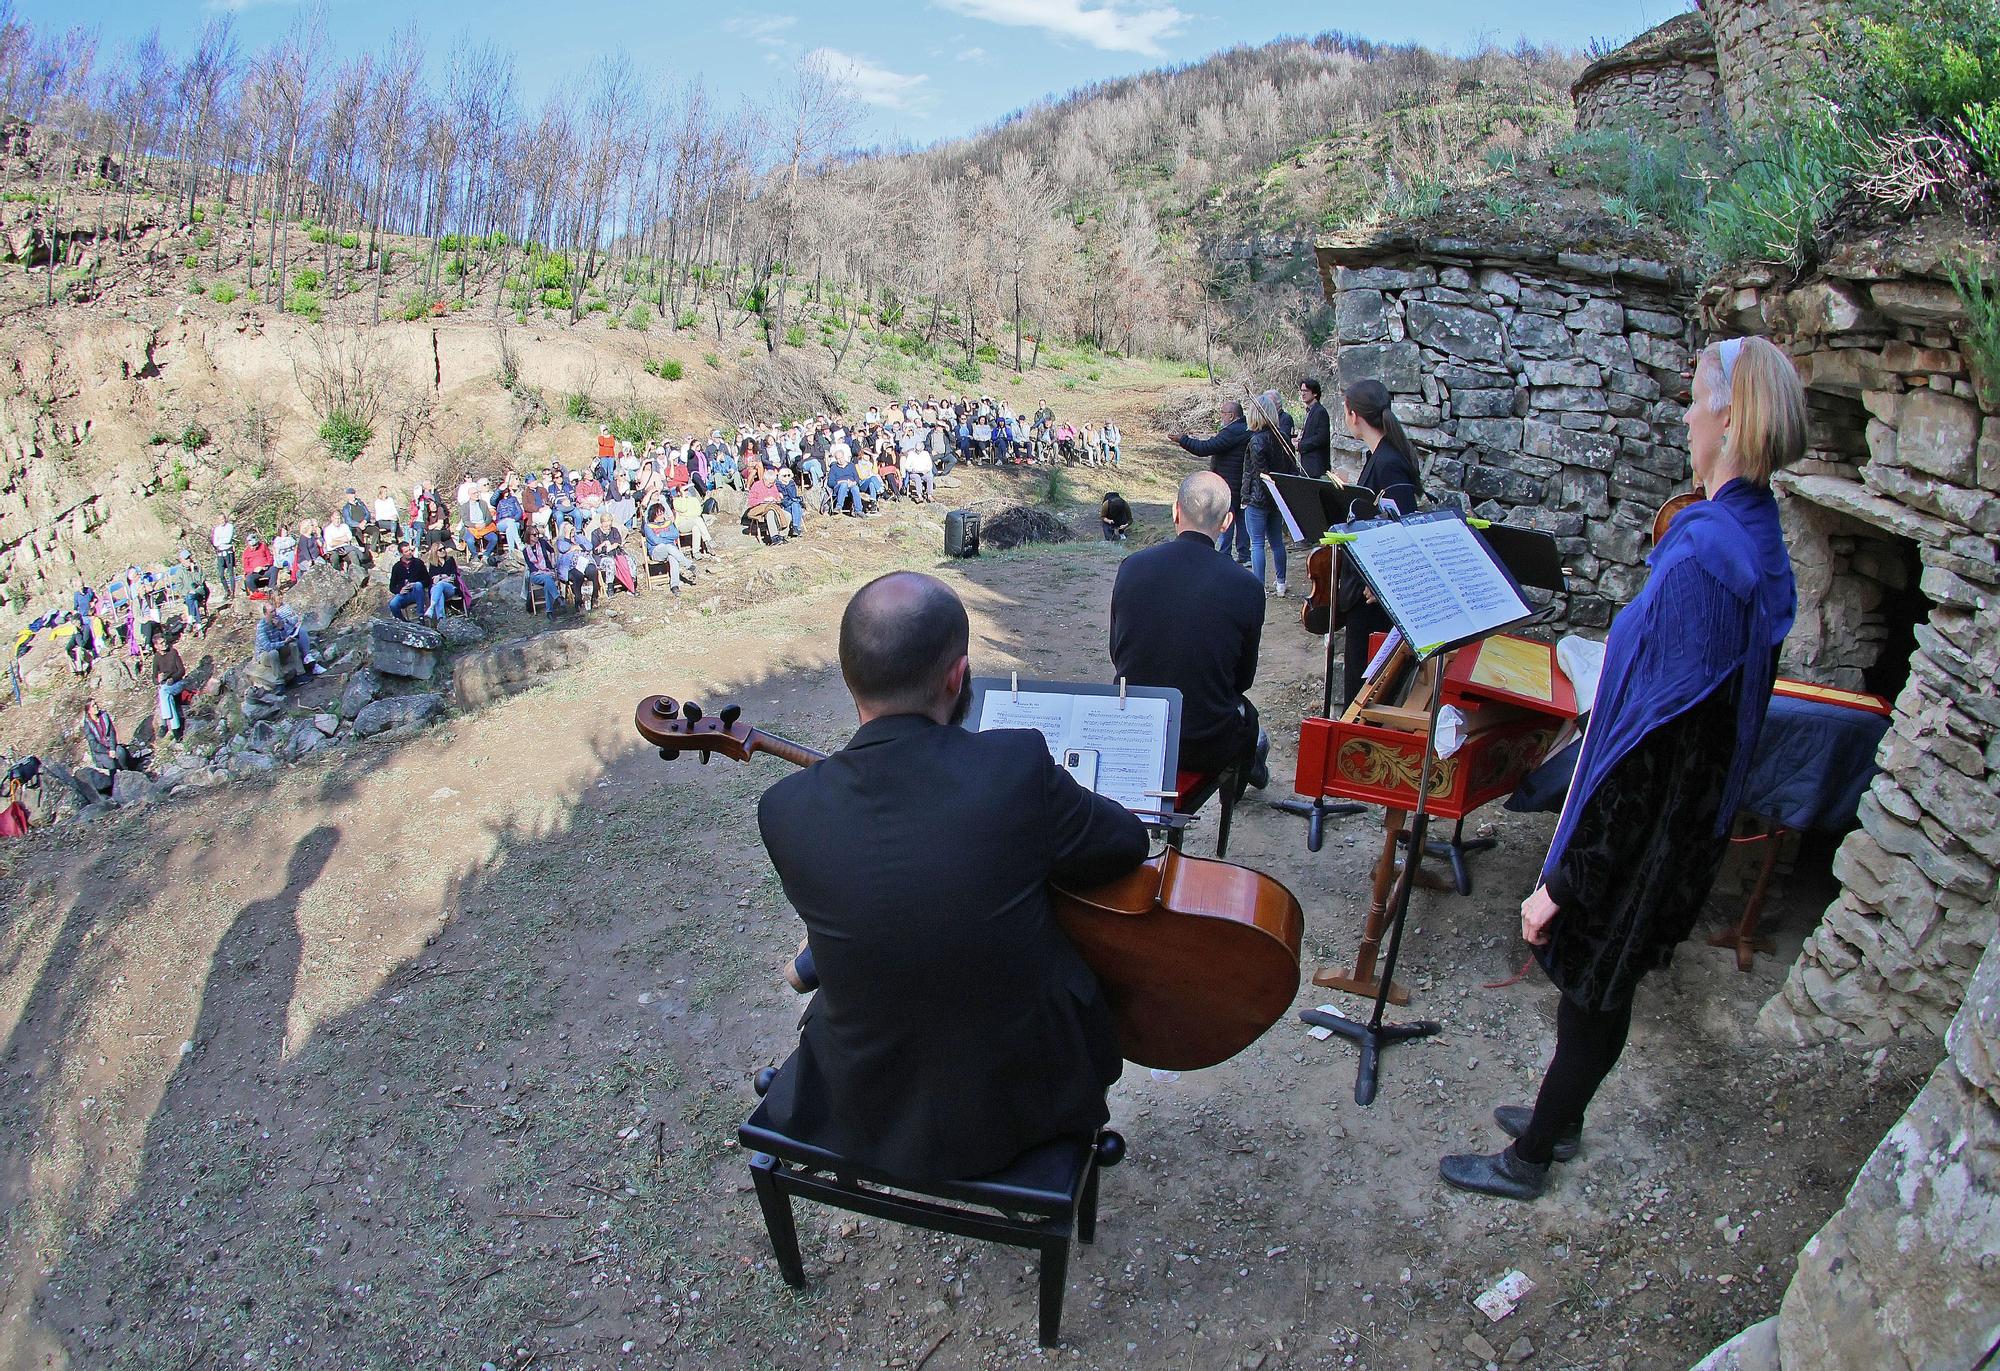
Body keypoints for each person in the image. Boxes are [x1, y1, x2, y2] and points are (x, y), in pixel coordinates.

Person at [1440, 337, 1804, 1201]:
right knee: (1603, 985)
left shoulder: (1711, 561)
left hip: (1649, 830)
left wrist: (1563, 879)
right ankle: (1554, 1124)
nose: (1683, 414)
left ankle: (1530, 1156)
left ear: (1727, 414)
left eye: (1694, 399)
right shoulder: (1753, 535)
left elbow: (1652, 749)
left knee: (1595, 989)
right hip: (1682, 819)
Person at [756, 572, 1148, 1182]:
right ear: (957, 675)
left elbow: (889, 904)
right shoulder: (1015, 765)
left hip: (865, 1102)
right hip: (1026, 1104)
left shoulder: (783, 811)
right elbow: (1126, 843)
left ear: (848, 677)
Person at [1110, 471, 1268, 788]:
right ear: (1227, 523)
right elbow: (1242, 680)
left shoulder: (1132, 567)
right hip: (1205, 743)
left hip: (1132, 730)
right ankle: (1251, 764)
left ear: (1175, 511)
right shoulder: (1247, 586)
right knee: (1248, 723)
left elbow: (1119, 653)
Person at [1337, 378, 1425, 704]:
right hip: (1366, 589)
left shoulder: (1390, 462)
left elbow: (1403, 526)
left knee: (1365, 690)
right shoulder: (1381, 455)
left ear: (1354, 414)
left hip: (1375, 596)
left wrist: (1383, 580)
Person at [1168, 401, 1252, 566]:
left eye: (1222, 412)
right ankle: (1244, 555)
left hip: (1229, 484)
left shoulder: (1232, 432)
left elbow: (1205, 448)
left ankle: (1225, 555)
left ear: (1231, 415)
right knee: (1242, 521)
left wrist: (1183, 440)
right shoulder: (1244, 430)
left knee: (1225, 518)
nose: (1221, 416)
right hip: (1240, 482)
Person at [1239, 392, 1298, 597]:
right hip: (1276, 496)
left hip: (1259, 498)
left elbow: (1260, 473)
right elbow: (1291, 469)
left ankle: (1259, 587)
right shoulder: (1282, 437)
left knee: (1257, 543)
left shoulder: (1257, 441)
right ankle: (1280, 583)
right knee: (1276, 542)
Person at [255, 598, 320, 684]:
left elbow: (284, 637)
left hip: (279, 649)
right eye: (272, 612)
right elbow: (267, 647)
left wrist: (281, 628)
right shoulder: (261, 627)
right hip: (265, 655)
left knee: (293, 644)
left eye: (275, 611)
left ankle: (301, 674)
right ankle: (279, 681)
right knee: (273, 653)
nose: (275, 614)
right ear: (265, 614)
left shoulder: (278, 619)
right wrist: (284, 642)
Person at [152, 635, 189, 739]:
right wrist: (158, 679)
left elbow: (182, 671)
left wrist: (173, 678)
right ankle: (176, 730)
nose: (164, 644)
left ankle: (164, 724)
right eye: (161, 643)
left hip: (177, 682)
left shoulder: (173, 652)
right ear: (156, 646)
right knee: (167, 696)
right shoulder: (156, 658)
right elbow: (154, 679)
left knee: (163, 692)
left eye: (164, 642)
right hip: (166, 686)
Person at [386, 543, 431, 621]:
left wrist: (416, 584)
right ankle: (403, 623)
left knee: (418, 585)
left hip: (417, 592)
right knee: (393, 604)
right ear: (401, 554)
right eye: (406, 551)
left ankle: (421, 616)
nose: (410, 552)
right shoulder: (397, 567)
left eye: (410, 550)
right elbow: (392, 587)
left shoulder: (418, 563)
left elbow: (428, 580)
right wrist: (400, 590)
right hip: (404, 594)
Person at [1297, 378, 1331, 479]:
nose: (1303, 394)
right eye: (1301, 391)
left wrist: (1300, 445)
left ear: (1315, 393)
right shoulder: (1310, 411)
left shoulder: (1320, 411)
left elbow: (1321, 438)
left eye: (1306, 391)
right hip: (1308, 465)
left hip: (1316, 467)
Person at [210, 516, 237, 601]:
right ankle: (227, 591)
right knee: (221, 574)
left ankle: (233, 591)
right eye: (220, 519)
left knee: (231, 573)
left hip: (228, 552)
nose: (222, 521)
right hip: (220, 552)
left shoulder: (230, 526)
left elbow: (228, 539)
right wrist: (221, 541)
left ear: (225, 519)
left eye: (223, 519)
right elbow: (215, 542)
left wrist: (220, 540)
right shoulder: (217, 529)